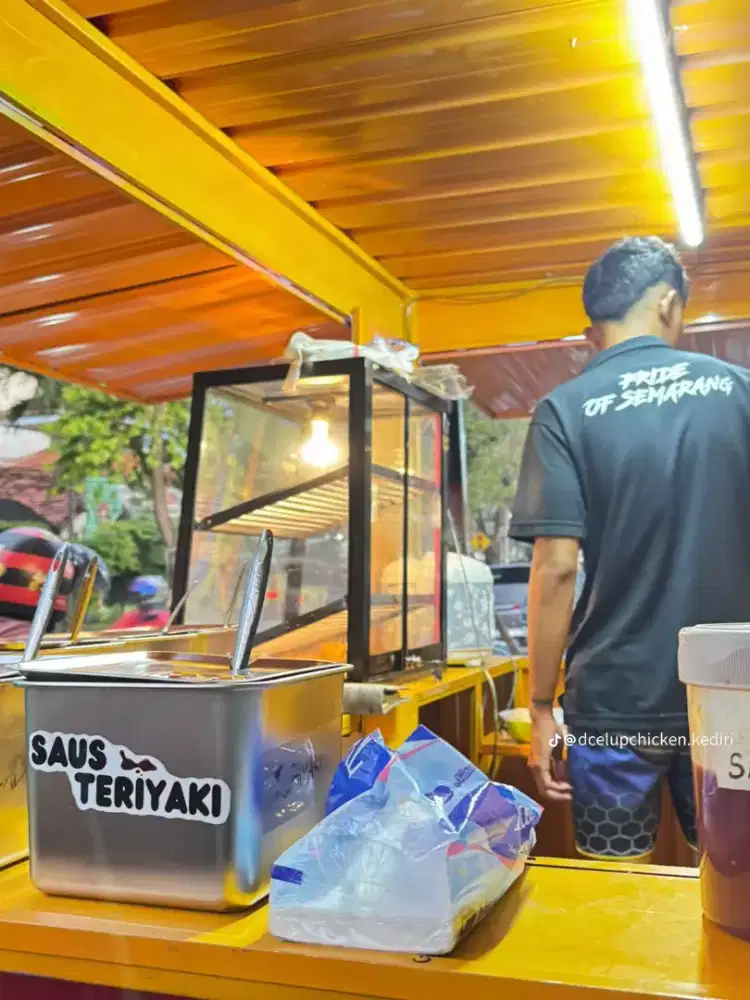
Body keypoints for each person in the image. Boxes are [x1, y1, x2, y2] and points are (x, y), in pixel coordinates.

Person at [510, 236, 750, 861]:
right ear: (669, 304)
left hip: (615, 708)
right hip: (732, 701)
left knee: (616, 892)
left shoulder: (563, 410)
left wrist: (540, 708)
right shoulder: (741, 391)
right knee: (737, 887)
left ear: (595, 321)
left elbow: (557, 569)